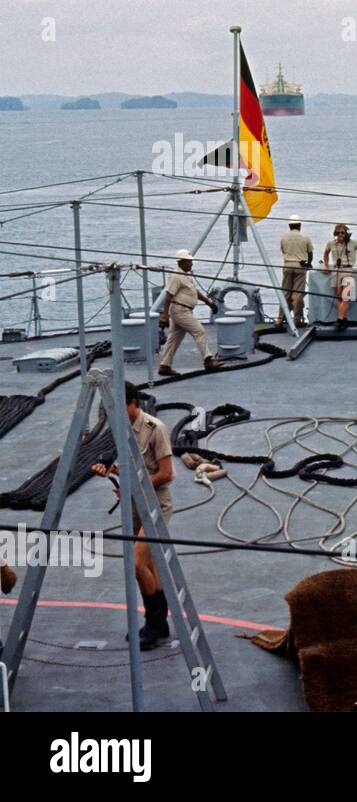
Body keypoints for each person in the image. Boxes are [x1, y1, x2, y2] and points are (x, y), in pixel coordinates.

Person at [91, 381, 176, 650]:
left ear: (133, 403)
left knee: (137, 564)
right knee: (150, 566)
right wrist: (113, 471)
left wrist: (132, 486)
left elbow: (166, 474)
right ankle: (160, 623)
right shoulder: (123, 430)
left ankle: (153, 622)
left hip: (155, 507)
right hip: (135, 506)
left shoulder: (155, 429)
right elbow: (131, 468)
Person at [157, 249, 221, 377]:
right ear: (181, 262)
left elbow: (194, 292)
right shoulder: (176, 276)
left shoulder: (187, 275)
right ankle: (208, 360)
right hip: (180, 310)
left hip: (184, 310)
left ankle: (165, 366)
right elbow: (169, 295)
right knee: (199, 331)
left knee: (174, 339)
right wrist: (164, 314)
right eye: (189, 262)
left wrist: (208, 302)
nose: (191, 264)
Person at [323, 223, 357, 329]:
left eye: (342, 233)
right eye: (338, 233)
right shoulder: (331, 243)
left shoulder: (353, 243)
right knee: (339, 296)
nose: (340, 235)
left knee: (346, 297)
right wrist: (325, 265)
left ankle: (339, 320)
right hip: (336, 271)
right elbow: (325, 253)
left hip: (348, 270)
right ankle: (343, 319)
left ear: (346, 233)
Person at [277, 214, 312, 328]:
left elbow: (283, 251)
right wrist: (308, 263)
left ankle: (280, 319)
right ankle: (297, 320)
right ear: (300, 225)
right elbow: (310, 253)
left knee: (285, 292)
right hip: (300, 266)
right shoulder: (305, 237)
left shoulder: (284, 237)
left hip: (287, 265)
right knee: (297, 294)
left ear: (289, 226)